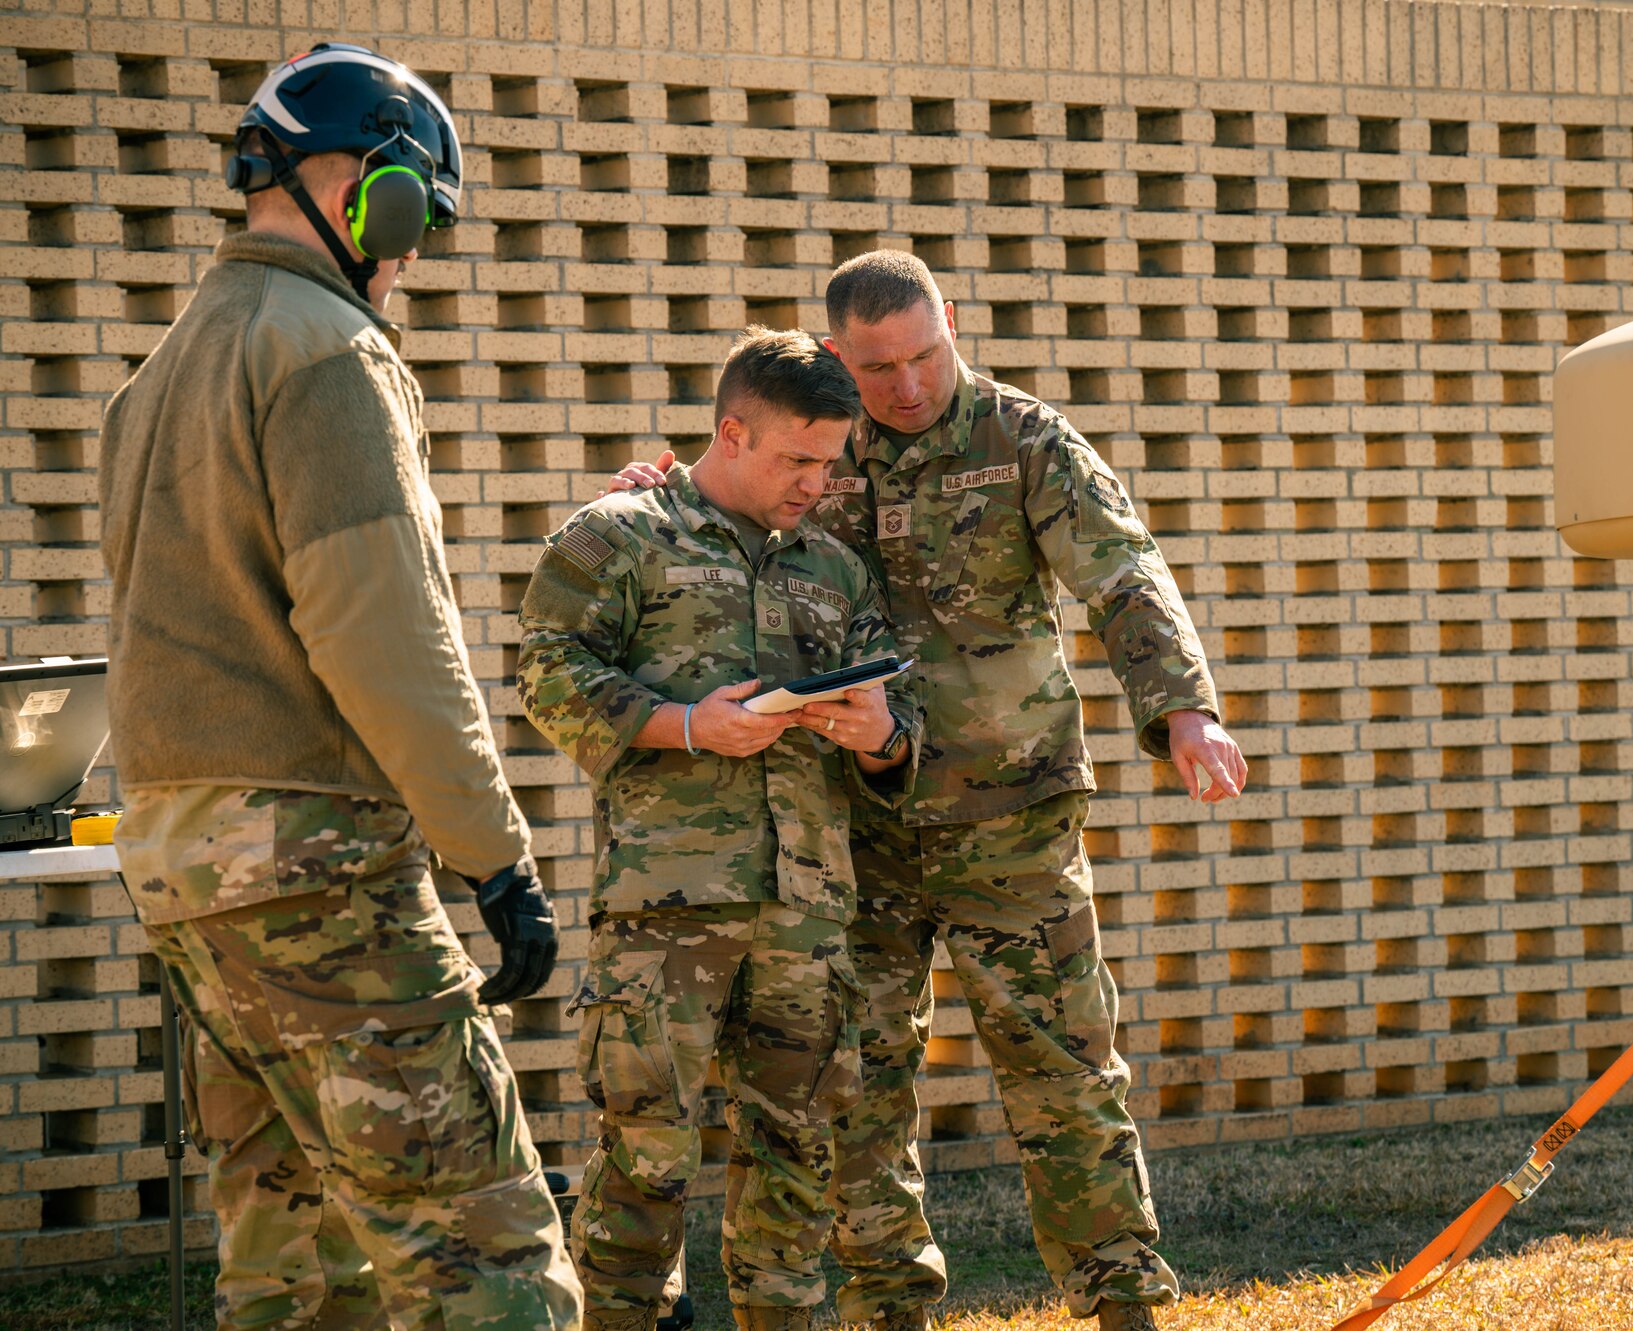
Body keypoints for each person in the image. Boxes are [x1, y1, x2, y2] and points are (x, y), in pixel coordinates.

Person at [611, 251, 1250, 1331]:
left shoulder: (1023, 439)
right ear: (832, 358)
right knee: (857, 1086)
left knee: (1064, 1070)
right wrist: (651, 500)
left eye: (923, 354)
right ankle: (888, 1309)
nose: (905, 385)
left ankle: (1124, 1305)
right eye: (875, 367)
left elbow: (1122, 572)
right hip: (855, 825)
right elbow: (720, 506)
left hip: (1010, 815)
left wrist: (1183, 708)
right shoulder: (811, 443)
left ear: (950, 322)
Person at [97, 43, 580, 1330]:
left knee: (295, 1262)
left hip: (182, 868)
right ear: (377, 191)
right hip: (315, 862)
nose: (412, 256)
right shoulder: (327, 351)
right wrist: (496, 857)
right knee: (483, 1250)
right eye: (421, 216)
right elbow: (385, 632)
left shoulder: (156, 376)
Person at [520, 328, 920, 1331]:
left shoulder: (835, 565)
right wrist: (690, 724)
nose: (813, 485)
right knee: (643, 1160)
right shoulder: (616, 534)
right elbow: (547, 676)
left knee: (794, 1157)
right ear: (730, 431)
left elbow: (894, 729)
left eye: (828, 463)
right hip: (666, 908)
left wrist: (880, 735)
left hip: (804, 911)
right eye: (795, 460)